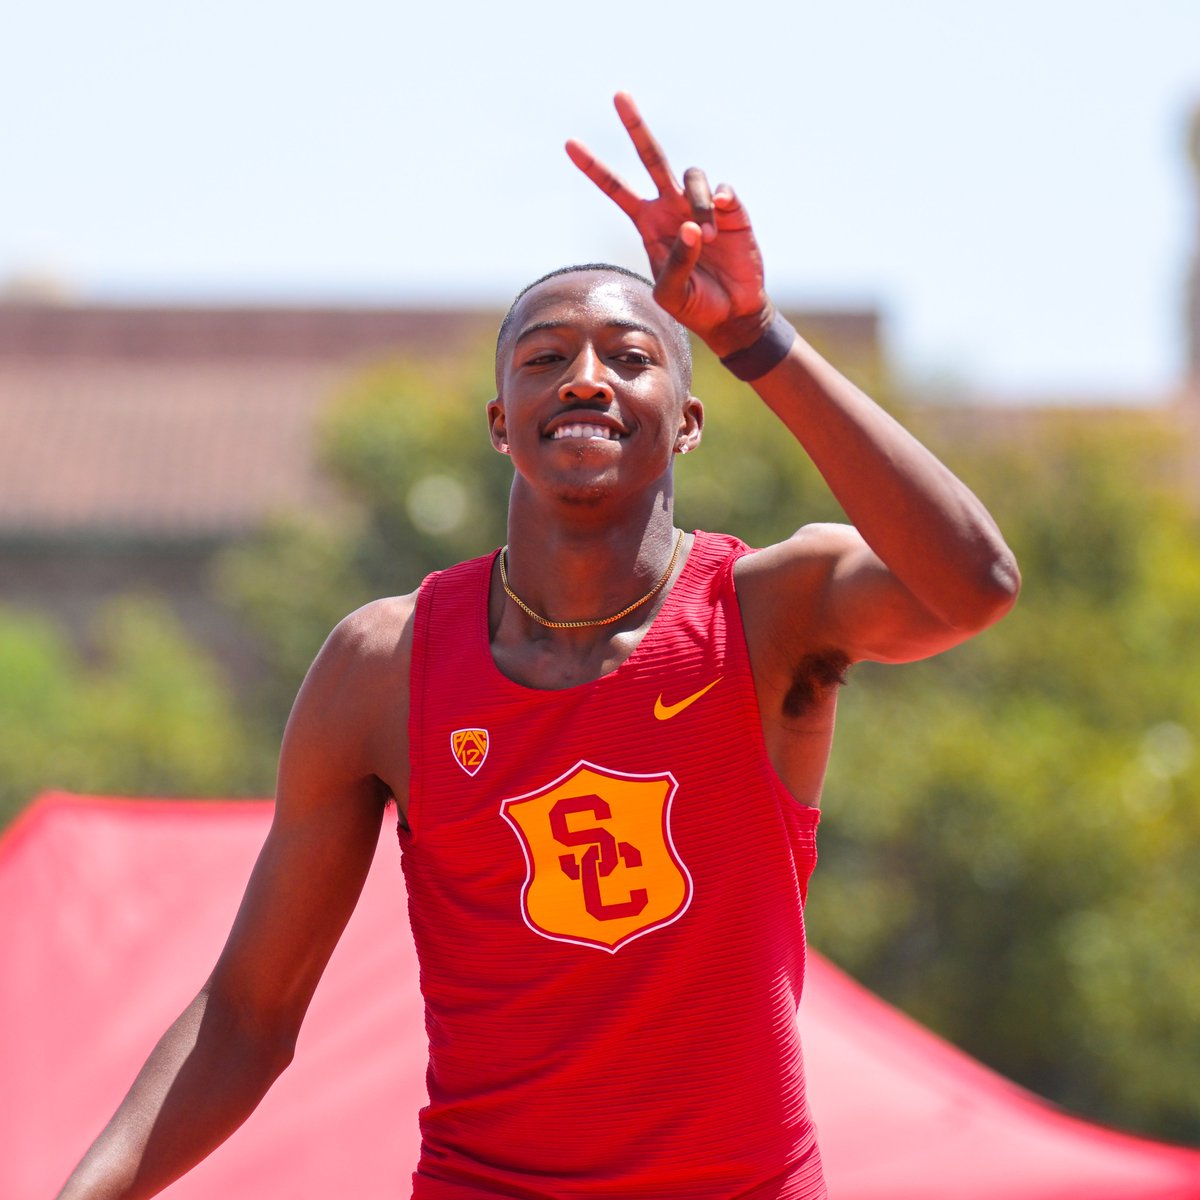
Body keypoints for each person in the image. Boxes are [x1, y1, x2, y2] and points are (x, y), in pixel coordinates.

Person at [56, 94, 1020, 1200]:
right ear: (502, 420)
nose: (587, 378)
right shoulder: (385, 664)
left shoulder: (769, 612)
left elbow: (974, 586)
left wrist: (752, 338)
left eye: (631, 356)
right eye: (547, 355)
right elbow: (247, 1017)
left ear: (690, 420)